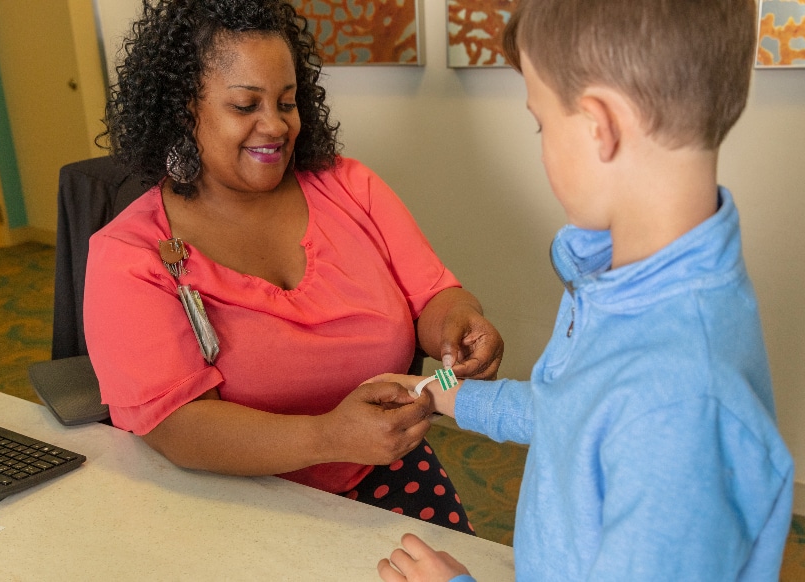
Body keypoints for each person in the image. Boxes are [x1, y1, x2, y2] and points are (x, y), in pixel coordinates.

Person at [375, 0, 794, 579]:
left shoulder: (683, 401)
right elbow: (570, 409)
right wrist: (436, 387)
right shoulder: (622, 286)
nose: (541, 141)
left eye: (542, 123)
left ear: (601, 126)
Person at [83, 0, 503, 534]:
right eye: (245, 105)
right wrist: (327, 436)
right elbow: (178, 428)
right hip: (231, 507)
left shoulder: (351, 188)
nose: (276, 126)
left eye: (287, 101)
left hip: (384, 474)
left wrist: (459, 325)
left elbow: (435, 296)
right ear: (182, 109)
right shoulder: (131, 255)